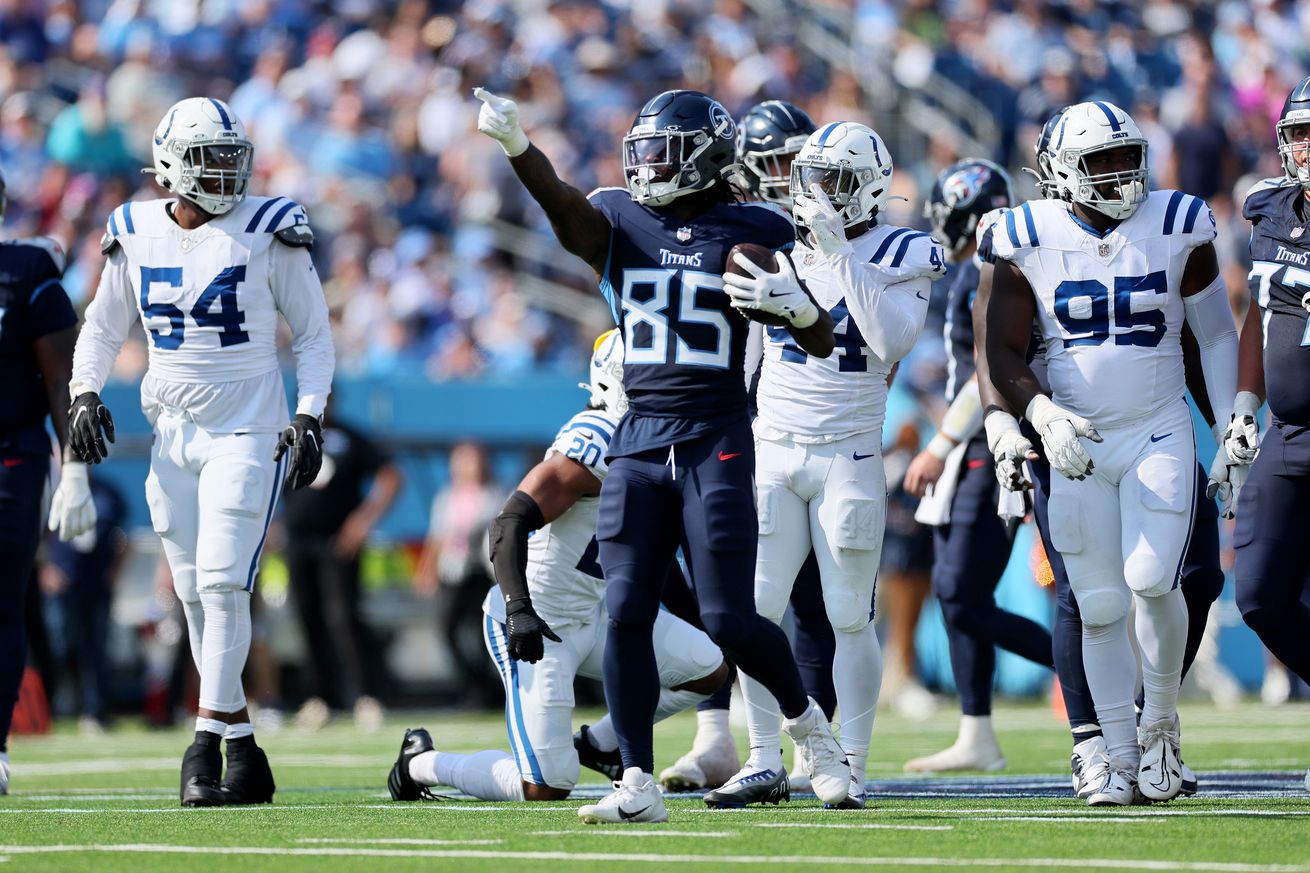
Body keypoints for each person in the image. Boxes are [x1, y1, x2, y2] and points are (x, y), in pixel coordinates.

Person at [473, 86, 848, 822]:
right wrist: (520, 148)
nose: (647, 163)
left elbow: (821, 339)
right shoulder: (619, 218)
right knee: (628, 614)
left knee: (731, 617)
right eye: (641, 148)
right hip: (639, 437)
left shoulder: (753, 226)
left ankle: (816, 737)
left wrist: (800, 309)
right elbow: (562, 207)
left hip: (716, 436)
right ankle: (636, 780)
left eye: (664, 151)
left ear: (706, 156)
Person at [66, 97, 335, 807]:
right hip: (170, 434)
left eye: (231, 156)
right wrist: (85, 392)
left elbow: (312, 335)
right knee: (191, 592)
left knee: (222, 584)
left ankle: (203, 747)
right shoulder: (134, 229)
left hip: (249, 431)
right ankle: (246, 751)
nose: (226, 171)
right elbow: (99, 327)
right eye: (210, 158)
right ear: (170, 165)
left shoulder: (269, 229)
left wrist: (309, 413)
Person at [977, 100, 1237, 806]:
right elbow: (998, 349)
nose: (1122, 174)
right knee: (1094, 602)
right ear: (1062, 172)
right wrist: (1035, 410)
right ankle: (1114, 757)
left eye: (1129, 157)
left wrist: (1234, 424)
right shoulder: (1024, 234)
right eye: (1102, 162)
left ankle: (1160, 729)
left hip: (1157, 425)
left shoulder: (1177, 223)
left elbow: (1215, 335)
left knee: (1155, 579)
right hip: (1074, 437)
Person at [388, 331, 730, 805]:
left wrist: (704, 624)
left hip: (599, 615)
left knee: (710, 665)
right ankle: (420, 764)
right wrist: (518, 608)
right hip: (539, 624)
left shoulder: (654, 443)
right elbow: (508, 521)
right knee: (545, 787)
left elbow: (652, 555)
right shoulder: (595, 440)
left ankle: (601, 743)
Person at [710, 121, 946, 809]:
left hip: (849, 450)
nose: (814, 195)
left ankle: (855, 761)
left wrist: (841, 255)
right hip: (774, 447)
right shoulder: (776, 244)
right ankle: (760, 758)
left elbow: (889, 338)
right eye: (807, 178)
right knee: (755, 608)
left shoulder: (903, 249)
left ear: (868, 187)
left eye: (832, 181)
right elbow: (751, 356)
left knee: (848, 612)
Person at [658, 98, 824, 795]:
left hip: (814, 425)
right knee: (721, 587)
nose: (795, 175)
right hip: (737, 420)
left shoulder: (814, 226)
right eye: (783, 162)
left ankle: (817, 734)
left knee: (814, 596)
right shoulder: (728, 225)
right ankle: (719, 733)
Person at [903, 159, 1054, 774]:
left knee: (962, 594)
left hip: (993, 442)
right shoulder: (970, 271)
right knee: (956, 591)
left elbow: (986, 371)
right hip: (976, 440)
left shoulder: (985, 269)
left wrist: (940, 444)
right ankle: (977, 733)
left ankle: (1099, 682)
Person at [1229, 75, 1310, 796]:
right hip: (1287, 433)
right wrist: (1245, 404)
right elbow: (1260, 312)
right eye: (1300, 132)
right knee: (1258, 595)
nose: (1307, 146)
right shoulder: (1269, 211)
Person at [0, 167, 89, 795]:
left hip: (9, 456)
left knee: (1, 603)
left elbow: (63, 378)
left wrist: (75, 469)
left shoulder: (27, 272)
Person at [280, 400, 400, 731]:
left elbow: (390, 476)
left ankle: (367, 695)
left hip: (338, 543)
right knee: (308, 618)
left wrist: (362, 522)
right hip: (298, 542)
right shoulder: (289, 435)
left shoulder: (349, 437)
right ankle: (320, 697)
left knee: (343, 617)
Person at [414, 441, 503, 710]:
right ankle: (475, 685)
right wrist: (426, 569)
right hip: (453, 573)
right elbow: (438, 537)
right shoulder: (448, 496)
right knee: (448, 630)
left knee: (480, 634)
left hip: (479, 574)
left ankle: (489, 691)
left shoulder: (494, 495)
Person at [41, 473, 128, 733]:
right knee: (60, 644)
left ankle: (94, 710)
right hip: (64, 584)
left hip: (97, 584)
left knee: (96, 648)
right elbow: (41, 532)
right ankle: (57, 706)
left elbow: (123, 537)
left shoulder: (108, 491)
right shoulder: (56, 489)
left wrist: (115, 570)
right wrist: (46, 567)